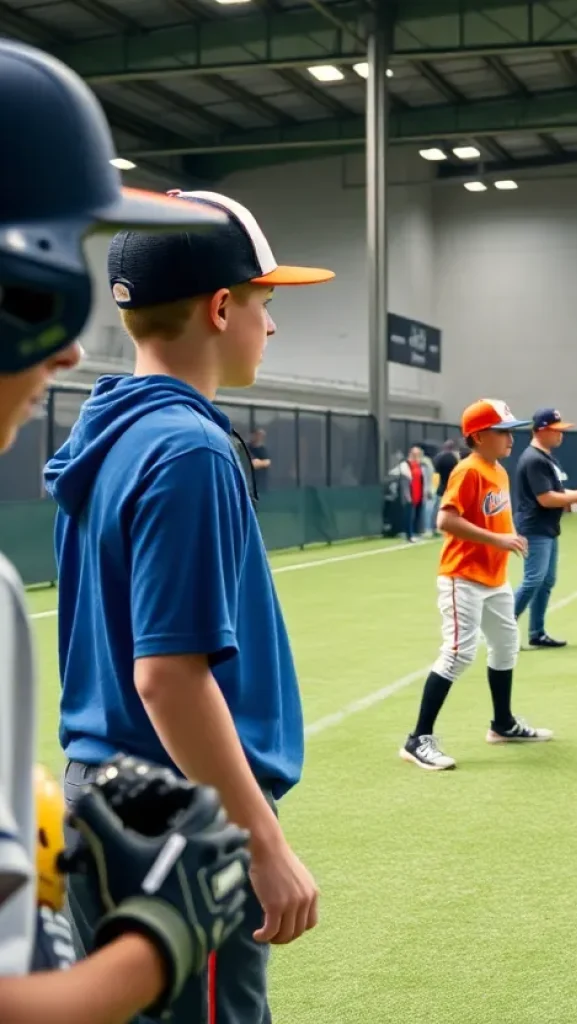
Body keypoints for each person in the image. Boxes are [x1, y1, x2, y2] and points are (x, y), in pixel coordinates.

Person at [0, 37, 254, 1022]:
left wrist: (41, 808)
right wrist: (156, 943)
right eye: (46, 281)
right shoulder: (186, 449)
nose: (68, 349)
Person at [44, 188, 333, 1024]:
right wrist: (262, 844)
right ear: (219, 307)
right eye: (263, 302)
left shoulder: (111, 431)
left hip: (103, 796)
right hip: (176, 814)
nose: (270, 326)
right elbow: (168, 676)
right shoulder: (190, 447)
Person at [400, 399, 553, 771]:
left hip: (494, 578)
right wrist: (498, 540)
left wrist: (509, 535)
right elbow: (445, 520)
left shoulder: (498, 469)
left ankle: (502, 724)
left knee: (505, 647)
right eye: (503, 432)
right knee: (458, 653)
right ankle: (417, 738)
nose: (511, 438)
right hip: (462, 576)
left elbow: (494, 516)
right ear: (479, 436)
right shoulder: (468, 470)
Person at [513, 409, 577, 649]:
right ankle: (503, 629)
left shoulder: (545, 457)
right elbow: (545, 498)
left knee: (546, 580)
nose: (561, 435)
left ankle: (536, 632)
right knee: (533, 580)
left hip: (546, 526)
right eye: (556, 430)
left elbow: (555, 493)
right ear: (541, 430)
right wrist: (576, 496)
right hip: (535, 526)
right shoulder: (535, 459)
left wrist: (575, 496)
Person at [398, 445, 427, 541]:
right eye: (415, 454)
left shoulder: (420, 465)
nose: (417, 456)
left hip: (418, 494)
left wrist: (424, 493)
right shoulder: (405, 464)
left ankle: (416, 532)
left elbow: (422, 480)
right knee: (409, 515)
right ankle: (409, 535)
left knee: (417, 515)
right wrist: (407, 496)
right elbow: (404, 482)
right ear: (410, 454)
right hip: (410, 494)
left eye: (418, 454)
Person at [248, 428, 271, 494]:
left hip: (261, 483)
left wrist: (258, 463)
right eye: (258, 435)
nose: (259, 437)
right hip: (249, 483)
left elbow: (267, 462)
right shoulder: (247, 447)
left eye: (261, 436)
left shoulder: (263, 449)